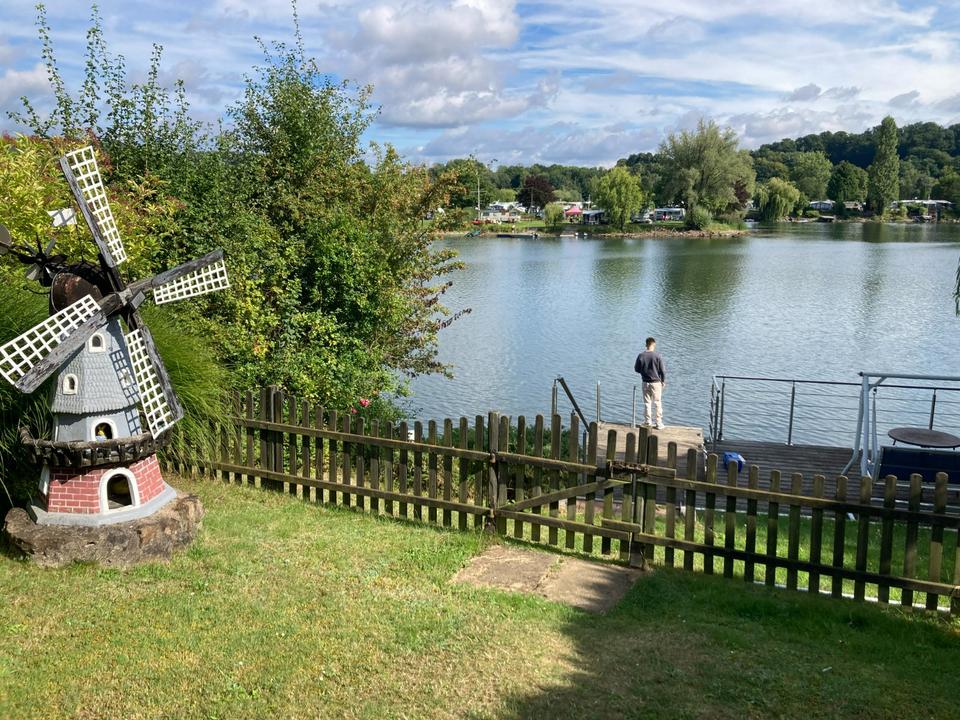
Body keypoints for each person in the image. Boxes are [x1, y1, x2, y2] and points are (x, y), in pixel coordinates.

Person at [634, 337, 666, 429]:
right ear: (654, 344)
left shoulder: (641, 356)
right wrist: (663, 381)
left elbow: (636, 369)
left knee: (647, 403)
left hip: (645, 382)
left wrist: (644, 371)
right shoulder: (658, 356)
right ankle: (658, 423)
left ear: (646, 345)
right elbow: (663, 371)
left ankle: (648, 421)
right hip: (656, 383)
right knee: (657, 402)